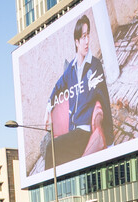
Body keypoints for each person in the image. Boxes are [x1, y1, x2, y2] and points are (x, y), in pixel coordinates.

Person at [44, 14, 113, 168]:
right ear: (76, 41)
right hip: (73, 133)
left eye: (88, 35)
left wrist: (110, 140)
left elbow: (104, 99)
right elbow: (57, 87)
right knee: (57, 159)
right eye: (83, 37)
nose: (87, 40)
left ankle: (48, 189)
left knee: (51, 148)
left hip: (84, 133)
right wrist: (48, 108)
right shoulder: (71, 69)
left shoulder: (94, 66)